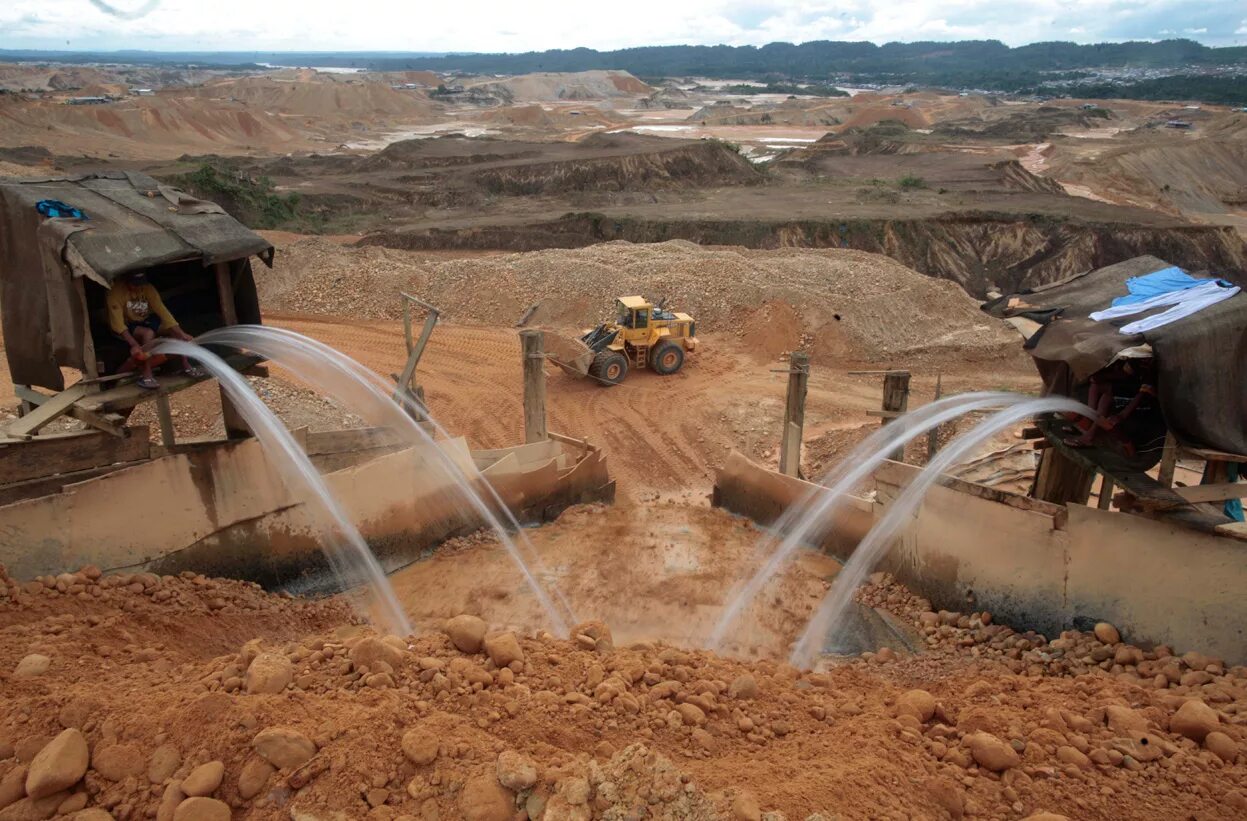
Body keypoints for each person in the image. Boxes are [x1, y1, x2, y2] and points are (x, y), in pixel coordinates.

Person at [106, 271, 203, 389]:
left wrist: (181, 333)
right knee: (148, 333)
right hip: (127, 326)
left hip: (145, 320)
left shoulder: (147, 288)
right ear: (126, 281)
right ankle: (146, 375)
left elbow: (163, 312)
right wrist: (134, 345)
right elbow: (118, 325)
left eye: (141, 284)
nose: (139, 287)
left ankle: (186, 365)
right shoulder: (115, 293)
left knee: (174, 332)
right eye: (135, 284)